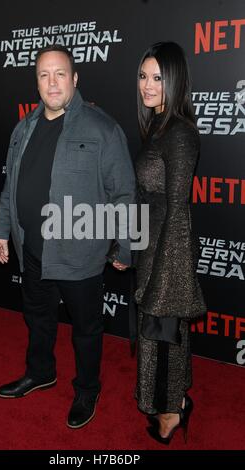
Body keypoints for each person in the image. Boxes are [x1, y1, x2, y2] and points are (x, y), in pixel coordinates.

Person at [0, 45, 135, 429]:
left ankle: (87, 388)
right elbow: (12, 184)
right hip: (32, 249)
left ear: (74, 79)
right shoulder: (23, 128)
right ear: (36, 81)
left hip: (80, 254)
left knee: (86, 330)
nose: (52, 82)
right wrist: (1, 229)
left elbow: (123, 191)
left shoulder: (102, 128)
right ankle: (40, 372)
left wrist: (126, 245)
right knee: (37, 318)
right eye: (43, 74)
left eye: (60, 74)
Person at [134, 42, 206, 444]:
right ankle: (176, 400)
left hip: (168, 249)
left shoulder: (179, 133)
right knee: (164, 335)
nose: (148, 85)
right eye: (144, 76)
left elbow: (177, 208)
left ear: (175, 80)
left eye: (158, 77)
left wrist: (164, 276)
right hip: (152, 246)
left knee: (160, 335)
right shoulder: (158, 126)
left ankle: (169, 415)